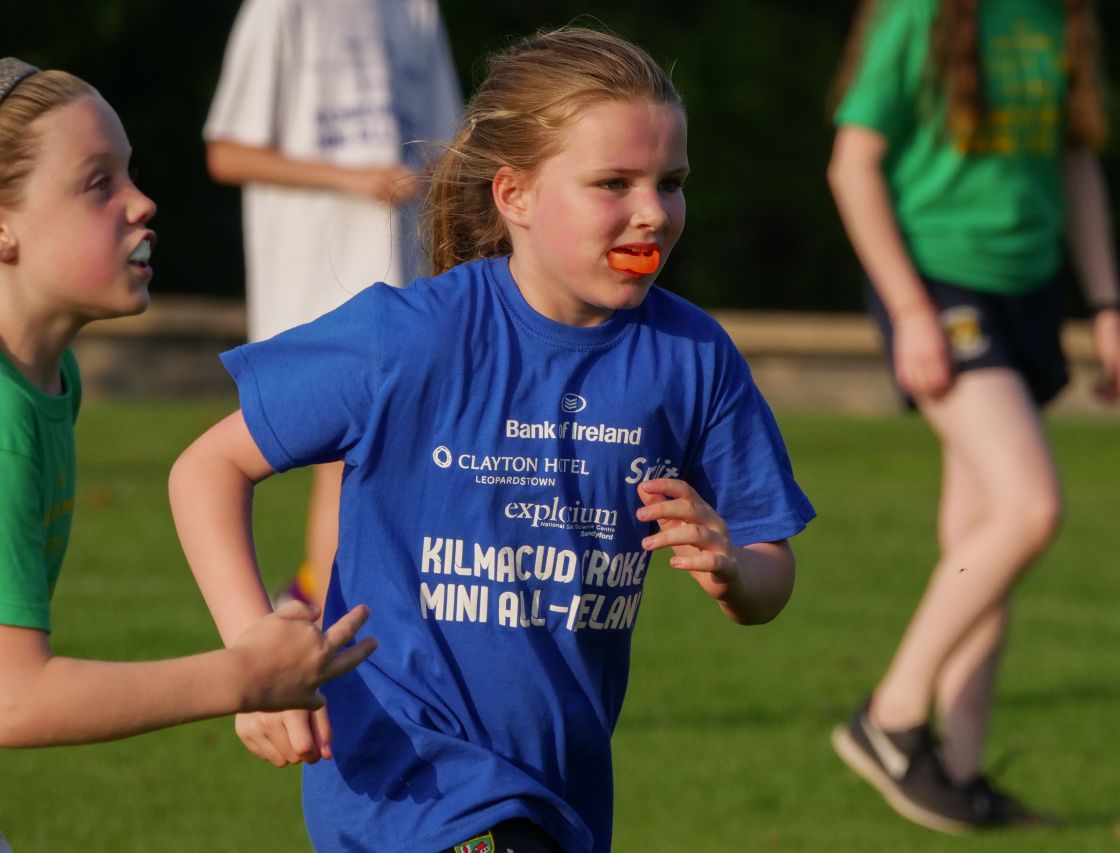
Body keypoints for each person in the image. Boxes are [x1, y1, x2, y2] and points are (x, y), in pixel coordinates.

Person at [168, 26, 816, 853]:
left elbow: (773, 568)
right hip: (412, 781)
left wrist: (732, 569)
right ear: (513, 196)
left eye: (671, 182)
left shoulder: (690, 357)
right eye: (613, 182)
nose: (653, 210)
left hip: (563, 790)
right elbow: (209, 466)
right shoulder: (411, 338)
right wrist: (252, 647)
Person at [0, 58, 377, 759]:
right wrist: (245, 674)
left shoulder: (50, 380)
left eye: (129, 174)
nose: (140, 203)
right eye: (97, 184)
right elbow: (11, 697)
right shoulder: (4, 421)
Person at [826, 0, 1120, 834]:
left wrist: (1105, 302)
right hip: (939, 285)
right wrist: (910, 310)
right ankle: (889, 718)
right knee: (1030, 508)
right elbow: (851, 166)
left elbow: (1076, 162)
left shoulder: (1061, 17)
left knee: (981, 539)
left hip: (1026, 293)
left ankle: (958, 777)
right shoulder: (921, 16)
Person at [204, 0, 464, 611]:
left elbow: (452, 145)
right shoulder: (281, 9)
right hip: (312, 275)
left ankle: (311, 609)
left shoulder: (414, 9)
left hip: (406, 275)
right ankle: (310, 611)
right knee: (346, 447)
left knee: (370, 452)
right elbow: (228, 151)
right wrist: (353, 178)